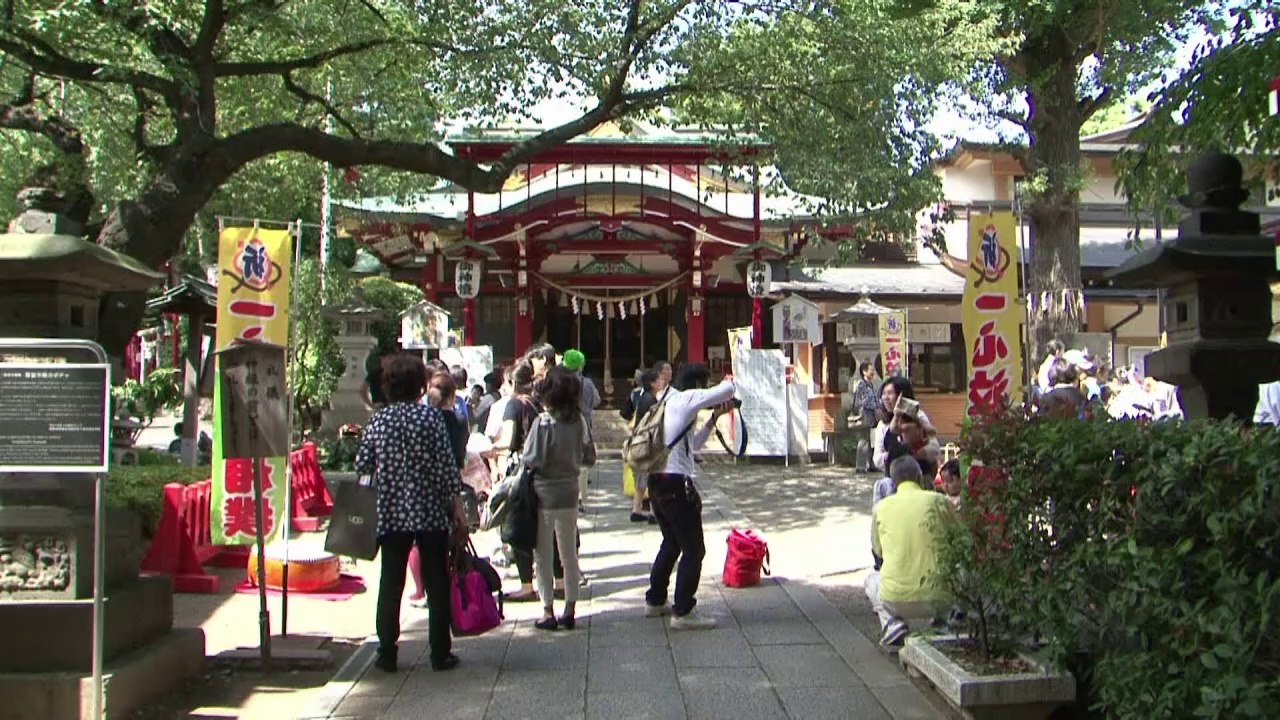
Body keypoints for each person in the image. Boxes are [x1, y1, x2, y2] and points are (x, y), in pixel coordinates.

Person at [353, 353, 466, 673]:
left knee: (391, 580)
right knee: (436, 579)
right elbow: (447, 468)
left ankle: (387, 651)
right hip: (430, 511)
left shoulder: (379, 421)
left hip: (390, 511)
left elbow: (362, 464)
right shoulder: (429, 419)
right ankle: (440, 652)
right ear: (420, 386)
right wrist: (455, 507)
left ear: (388, 386)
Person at [644, 363, 736, 630]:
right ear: (697, 384)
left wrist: (712, 419)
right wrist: (730, 379)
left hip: (657, 480)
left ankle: (655, 599)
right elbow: (726, 389)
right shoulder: (686, 398)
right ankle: (683, 611)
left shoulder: (668, 403)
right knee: (694, 549)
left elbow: (690, 446)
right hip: (675, 485)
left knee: (672, 542)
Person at [521, 366, 597, 630]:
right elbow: (589, 457)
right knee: (569, 555)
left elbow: (531, 459)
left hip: (543, 492)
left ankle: (547, 609)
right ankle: (570, 609)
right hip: (569, 491)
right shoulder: (580, 422)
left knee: (542, 554)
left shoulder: (542, 423)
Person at [866, 456, 950, 647]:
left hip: (896, 597)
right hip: (940, 595)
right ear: (920, 478)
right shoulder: (939, 501)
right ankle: (943, 620)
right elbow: (961, 537)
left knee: (870, 579)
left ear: (893, 482)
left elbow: (877, 551)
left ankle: (891, 623)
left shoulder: (881, 508)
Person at [559, 349, 600, 507]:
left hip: (564, 422)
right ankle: (581, 497)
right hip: (583, 421)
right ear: (580, 366)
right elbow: (596, 400)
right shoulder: (587, 383)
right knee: (581, 462)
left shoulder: (560, 382)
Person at [626, 370, 660, 523]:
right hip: (648, 442)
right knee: (652, 477)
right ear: (652, 383)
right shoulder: (651, 400)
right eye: (658, 380)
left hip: (639, 441)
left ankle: (636, 509)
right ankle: (653, 512)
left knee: (640, 479)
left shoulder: (643, 397)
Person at [850, 361, 880, 472]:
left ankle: (871, 464)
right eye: (870, 370)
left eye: (873, 370)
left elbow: (875, 399)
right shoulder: (861, 384)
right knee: (863, 440)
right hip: (864, 415)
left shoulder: (871, 384)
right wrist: (875, 407)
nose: (873, 372)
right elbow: (864, 401)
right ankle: (860, 466)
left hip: (872, 417)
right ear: (864, 372)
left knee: (872, 440)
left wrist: (879, 406)